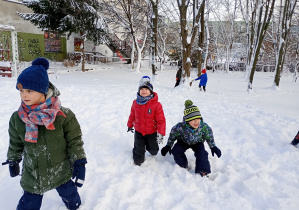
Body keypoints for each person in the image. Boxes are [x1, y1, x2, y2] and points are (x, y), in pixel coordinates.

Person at [2, 58, 87, 210]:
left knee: (69, 194)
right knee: (28, 205)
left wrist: (79, 161)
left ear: (42, 90)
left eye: (29, 90)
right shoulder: (18, 118)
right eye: (21, 90)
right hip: (33, 174)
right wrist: (13, 159)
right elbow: (15, 142)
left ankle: (75, 204)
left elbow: (74, 141)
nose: (23, 95)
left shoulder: (62, 116)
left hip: (60, 170)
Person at [161, 100, 221, 177]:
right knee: (176, 150)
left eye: (198, 118)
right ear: (187, 120)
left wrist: (213, 147)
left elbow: (209, 136)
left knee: (202, 153)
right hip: (183, 141)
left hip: (198, 142)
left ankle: (203, 170)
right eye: (193, 119)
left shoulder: (204, 127)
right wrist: (168, 146)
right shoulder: (180, 127)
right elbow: (173, 135)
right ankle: (183, 165)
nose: (196, 121)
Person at [127, 76, 166, 166]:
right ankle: (137, 153)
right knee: (138, 154)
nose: (144, 91)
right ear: (139, 91)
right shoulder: (135, 102)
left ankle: (149, 147)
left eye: (146, 89)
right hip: (139, 132)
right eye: (142, 89)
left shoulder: (156, 105)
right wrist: (129, 125)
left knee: (154, 151)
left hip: (151, 132)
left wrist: (161, 132)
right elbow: (132, 115)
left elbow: (161, 120)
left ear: (151, 91)